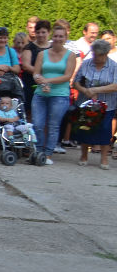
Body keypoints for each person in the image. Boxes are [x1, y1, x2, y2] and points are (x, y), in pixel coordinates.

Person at [31, 26, 77, 165]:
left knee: (53, 125)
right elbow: (36, 73)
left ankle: (48, 154)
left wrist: (48, 80)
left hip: (60, 95)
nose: (58, 39)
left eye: (61, 36)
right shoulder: (42, 54)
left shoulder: (70, 55)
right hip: (41, 93)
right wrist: (40, 80)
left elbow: (67, 76)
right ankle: (38, 151)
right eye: (56, 36)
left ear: (65, 38)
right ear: (52, 37)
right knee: (38, 124)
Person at [73, 39, 117, 169]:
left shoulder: (114, 66)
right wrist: (85, 91)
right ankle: (84, 155)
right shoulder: (86, 63)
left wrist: (95, 90)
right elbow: (76, 82)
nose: (95, 57)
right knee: (85, 128)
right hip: (86, 103)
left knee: (105, 130)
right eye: (94, 54)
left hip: (107, 104)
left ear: (105, 54)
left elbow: (115, 86)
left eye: (98, 55)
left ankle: (104, 158)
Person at [21, 19, 51, 114]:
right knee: (30, 112)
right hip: (31, 84)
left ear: (49, 32)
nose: (40, 35)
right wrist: (42, 74)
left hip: (51, 84)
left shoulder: (54, 47)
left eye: (43, 32)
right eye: (38, 32)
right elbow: (26, 66)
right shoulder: (29, 47)